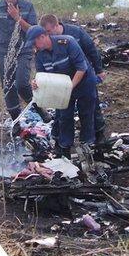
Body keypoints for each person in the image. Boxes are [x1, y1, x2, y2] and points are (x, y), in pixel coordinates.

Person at [25, 25, 98, 158]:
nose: (34, 47)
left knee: (86, 113)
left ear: (43, 37)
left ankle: (88, 146)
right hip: (62, 87)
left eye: (35, 43)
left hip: (83, 82)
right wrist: (36, 83)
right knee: (64, 116)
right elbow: (43, 76)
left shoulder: (67, 42)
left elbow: (81, 68)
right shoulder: (40, 55)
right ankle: (65, 149)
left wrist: (68, 87)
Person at [39, 14, 106, 143]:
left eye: (48, 32)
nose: (48, 35)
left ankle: (97, 135)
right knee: (62, 112)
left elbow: (91, 50)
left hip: (84, 75)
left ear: (57, 26)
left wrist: (99, 70)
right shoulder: (50, 44)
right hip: (64, 80)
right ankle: (59, 138)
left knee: (91, 109)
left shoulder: (75, 33)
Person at [0, 0, 37, 121]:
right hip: (4, 52)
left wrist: (17, 18)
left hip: (23, 49)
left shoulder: (27, 7)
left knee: (21, 83)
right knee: (8, 86)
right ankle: (16, 120)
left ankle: (37, 107)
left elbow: (33, 30)